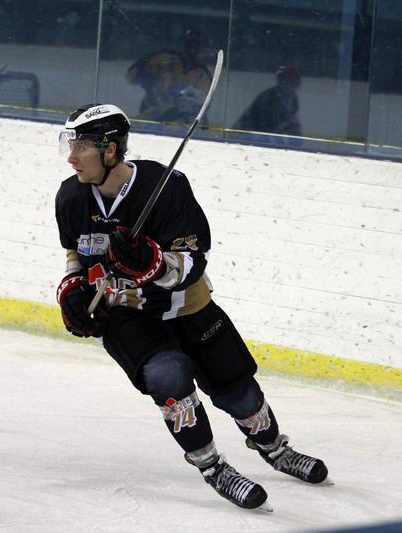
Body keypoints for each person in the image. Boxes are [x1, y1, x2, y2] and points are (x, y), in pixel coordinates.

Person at [54, 103, 328, 511]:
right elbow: (74, 253)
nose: (71, 157)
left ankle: (275, 449)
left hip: (188, 307)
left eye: (81, 147)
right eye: (69, 145)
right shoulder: (72, 196)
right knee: (169, 376)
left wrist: (154, 263)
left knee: (240, 393)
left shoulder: (167, 188)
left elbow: (193, 262)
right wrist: (71, 289)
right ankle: (213, 466)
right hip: (128, 315)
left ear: (110, 151)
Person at [234, 66, 302, 136]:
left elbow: (292, 123)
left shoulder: (293, 100)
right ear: (281, 82)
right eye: (289, 82)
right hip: (247, 135)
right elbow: (265, 125)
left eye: (295, 82)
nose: (291, 86)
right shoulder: (269, 98)